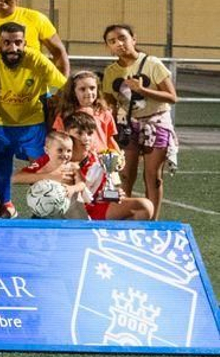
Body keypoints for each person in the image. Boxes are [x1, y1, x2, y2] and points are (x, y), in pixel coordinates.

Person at [0, 21, 67, 218]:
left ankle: (46, 216)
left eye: (18, 42)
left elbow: (65, 86)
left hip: (30, 126)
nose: (13, 48)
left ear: (25, 43)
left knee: (45, 169)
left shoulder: (37, 60)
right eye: (7, 43)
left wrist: (58, 104)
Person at [14, 116, 155, 221]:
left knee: (145, 207)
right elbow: (16, 177)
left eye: (89, 133)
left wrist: (114, 195)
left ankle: (115, 247)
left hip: (93, 209)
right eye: (80, 133)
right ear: (67, 134)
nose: (86, 138)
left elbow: (104, 195)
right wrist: (50, 176)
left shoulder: (103, 160)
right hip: (61, 212)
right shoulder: (53, 157)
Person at [103, 23, 178, 218]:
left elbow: (172, 97)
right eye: (112, 41)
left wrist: (142, 91)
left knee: (153, 178)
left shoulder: (152, 63)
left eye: (122, 38)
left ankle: (152, 223)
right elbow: (109, 103)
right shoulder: (111, 72)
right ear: (108, 47)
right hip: (128, 126)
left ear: (133, 40)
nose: (118, 44)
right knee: (125, 176)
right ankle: (123, 218)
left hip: (156, 123)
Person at [52, 71, 118, 156]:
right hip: (76, 162)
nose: (89, 93)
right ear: (73, 92)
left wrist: (119, 156)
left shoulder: (104, 112)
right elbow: (59, 141)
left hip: (100, 161)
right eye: (82, 89)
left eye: (92, 88)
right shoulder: (65, 114)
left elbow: (109, 139)